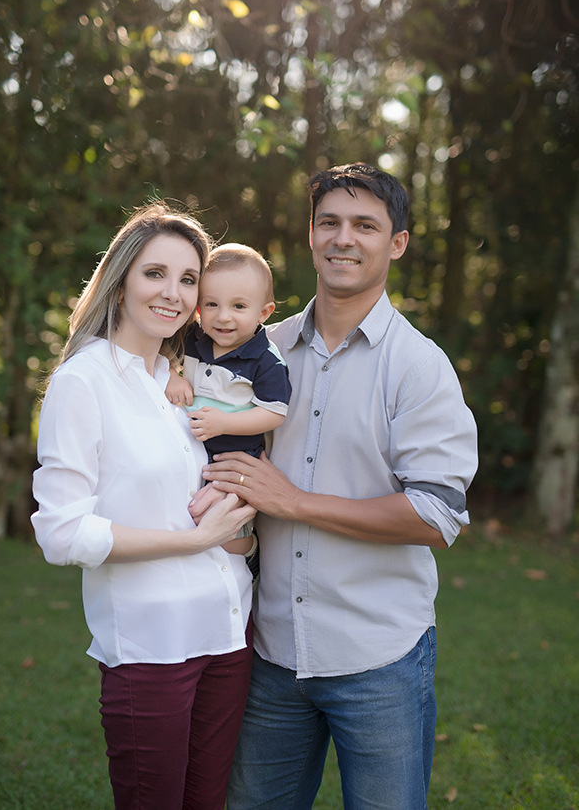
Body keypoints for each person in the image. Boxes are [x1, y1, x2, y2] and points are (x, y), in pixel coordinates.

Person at [191, 163, 478, 810]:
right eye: (330, 223)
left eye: (365, 225)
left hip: (379, 658)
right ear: (311, 235)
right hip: (271, 653)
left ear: (396, 243)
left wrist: (292, 502)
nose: (344, 238)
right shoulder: (257, 348)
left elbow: (437, 515)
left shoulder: (419, 368)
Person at [31, 202, 257, 810]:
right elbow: (61, 532)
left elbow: (216, 499)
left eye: (189, 279)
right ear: (122, 278)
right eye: (156, 273)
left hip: (230, 632)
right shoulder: (86, 381)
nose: (174, 293)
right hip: (152, 645)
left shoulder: (191, 382)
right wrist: (192, 542)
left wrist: (239, 536)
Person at [165, 243, 292, 551]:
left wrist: (225, 422)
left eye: (238, 307)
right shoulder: (194, 339)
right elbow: (161, 353)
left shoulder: (265, 359)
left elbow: (273, 413)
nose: (223, 317)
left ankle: (247, 558)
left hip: (233, 463)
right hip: (192, 453)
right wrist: (171, 374)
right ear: (198, 308)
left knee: (226, 532)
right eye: (211, 305)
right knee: (188, 516)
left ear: (264, 313)